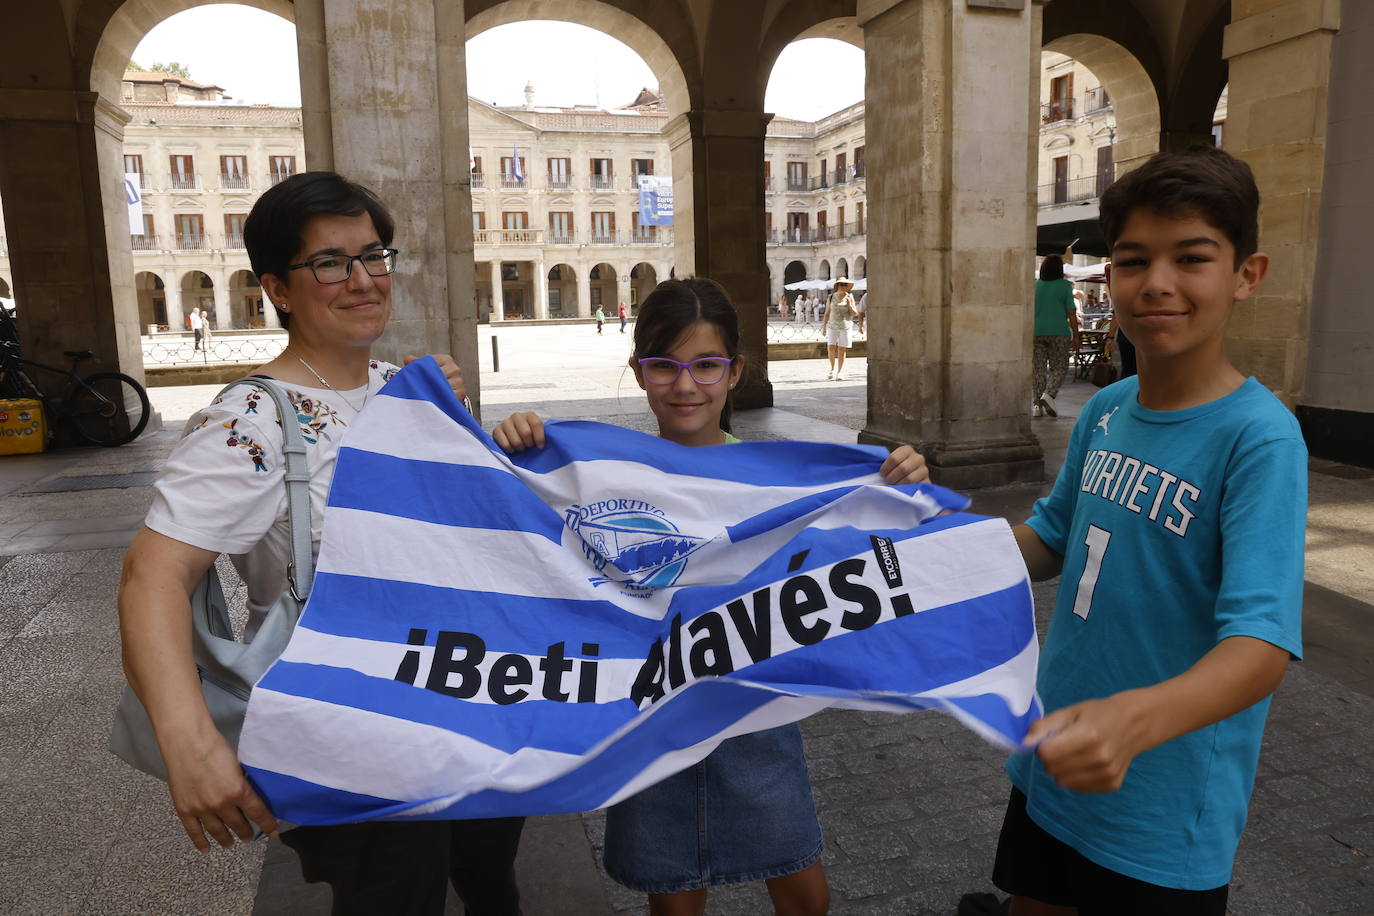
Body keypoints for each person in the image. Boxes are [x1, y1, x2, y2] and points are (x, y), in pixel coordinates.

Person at [117, 171, 525, 916]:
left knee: (490, 877)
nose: (363, 279)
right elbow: (151, 578)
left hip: (460, 703)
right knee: (395, 893)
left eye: (374, 255)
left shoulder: (402, 383)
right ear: (277, 287)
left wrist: (485, 439)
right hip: (348, 727)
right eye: (330, 263)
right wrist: (190, 742)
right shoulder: (250, 421)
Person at [493, 277, 932, 916]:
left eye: (705, 365)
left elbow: (858, 545)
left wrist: (899, 485)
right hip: (651, 713)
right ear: (638, 372)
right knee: (674, 897)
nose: (685, 384)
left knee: (801, 884)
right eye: (664, 366)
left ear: (735, 372)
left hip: (751, 708)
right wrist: (518, 443)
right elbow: (523, 532)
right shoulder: (599, 476)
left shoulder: (776, 483)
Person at [993, 146, 1305, 915]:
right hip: (1055, 759)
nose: (1157, 283)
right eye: (1133, 261)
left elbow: (1261, 647)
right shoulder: (1106, 409)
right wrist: (931, 560)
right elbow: (1052, 537)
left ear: (1246, 275)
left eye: (1192, 257)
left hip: (1157, 808)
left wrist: (1134, 722)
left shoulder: (1259, 439)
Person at [1031, 254, 1079, 417]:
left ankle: (1036, 406)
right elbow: (1071, 312)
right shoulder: (1064, 286)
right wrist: (1076, 335)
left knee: (1038, 369)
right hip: (1059, 332)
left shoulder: (1034, 286)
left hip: (1036, 332)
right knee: (1060, 366)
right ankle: (1049, 394)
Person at [825, 277, 859, 380]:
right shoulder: (831, 297)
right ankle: (831, 369)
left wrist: (849, 304)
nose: (843, 286)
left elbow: (854, 313)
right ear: (837, 286)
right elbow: (827, 313)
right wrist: (823, 327)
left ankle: (839, 372)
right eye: (841, 284)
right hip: (832, 325)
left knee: (842, 349)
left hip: (845, 326)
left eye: (845, 285)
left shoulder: (850, 297)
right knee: (830, 347)